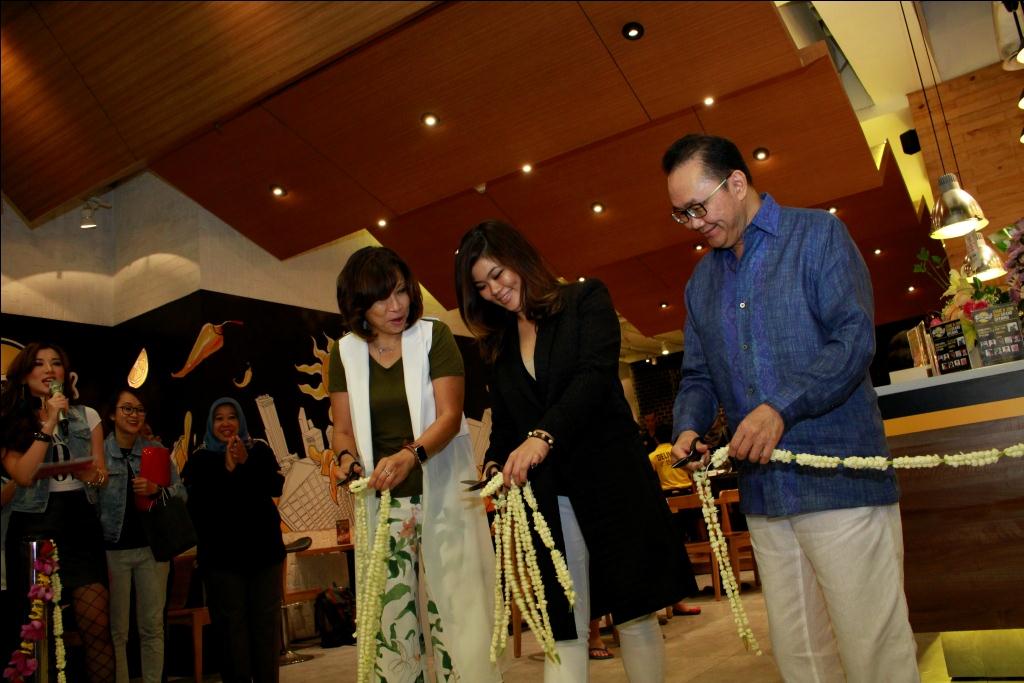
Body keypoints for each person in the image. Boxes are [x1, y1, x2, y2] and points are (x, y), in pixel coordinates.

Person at [663, 133, 919, 682]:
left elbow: (853, 342)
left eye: (698, 207)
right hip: (765, 495)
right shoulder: (700, 283)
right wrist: (689, 427)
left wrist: (778, 407)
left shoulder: (818, 235)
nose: (693, 223)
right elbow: (699, 376)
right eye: (680, 214)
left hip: (841, 481)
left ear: (736, 183)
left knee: (873, 649)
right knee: (800, 657)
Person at [455, 220, 684, 682]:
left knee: (634, 612)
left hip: (611, 480)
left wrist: (542, 437)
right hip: (549, 495)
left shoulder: (584, 301)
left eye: (498, 274)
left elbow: (593, 378)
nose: (495, 290)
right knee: (564, 622)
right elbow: (505, 423)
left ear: (520, 259)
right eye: (482, 285)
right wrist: (497, 461)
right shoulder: (498, 345)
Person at [328, 246, 499, 683]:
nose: (398, 305)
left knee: (457, 613)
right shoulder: (344, 353)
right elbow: (341, 429)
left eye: (403, 292)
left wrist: (411, 454)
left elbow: (449, 415)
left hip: (440, 491)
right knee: (391, 621)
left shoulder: (433, 336)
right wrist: (347, 461)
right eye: (383, 298)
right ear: (358, 305)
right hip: (383, 505)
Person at [0, 342, 115, 682]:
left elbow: (102, 474)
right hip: (34, 524)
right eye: (39, 363)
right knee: (38, 627)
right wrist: (48, 422)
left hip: (80, 520)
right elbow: (21, 474)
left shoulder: (86, 415)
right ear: (23, 375)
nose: (49, 370)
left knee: (96, 621)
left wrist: (89, 474)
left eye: (56, 363)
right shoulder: (8, 420)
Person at [182, 397, 284, 683]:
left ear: (241, 420)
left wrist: (245, 462)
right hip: (222, 562)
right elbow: (198, 509)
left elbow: (275, 486)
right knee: (231, 631)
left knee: (266, 629)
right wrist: (227, 470)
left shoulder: (259, 449)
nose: (226, 424)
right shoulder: (200, 460)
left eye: (232, 417)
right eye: (219, 418)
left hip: (264, 556)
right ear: (211, 424)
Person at [96, 387, 184, 683]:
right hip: (112, 551)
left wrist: (157, 490)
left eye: (139, 410)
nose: (134, 415)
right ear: (111, 414)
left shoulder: (156, 452)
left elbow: (181, 494)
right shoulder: (99, 454)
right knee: (117, 630)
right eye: (127, 409)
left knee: (152, 626)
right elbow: (87, 501)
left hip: (152, 550)